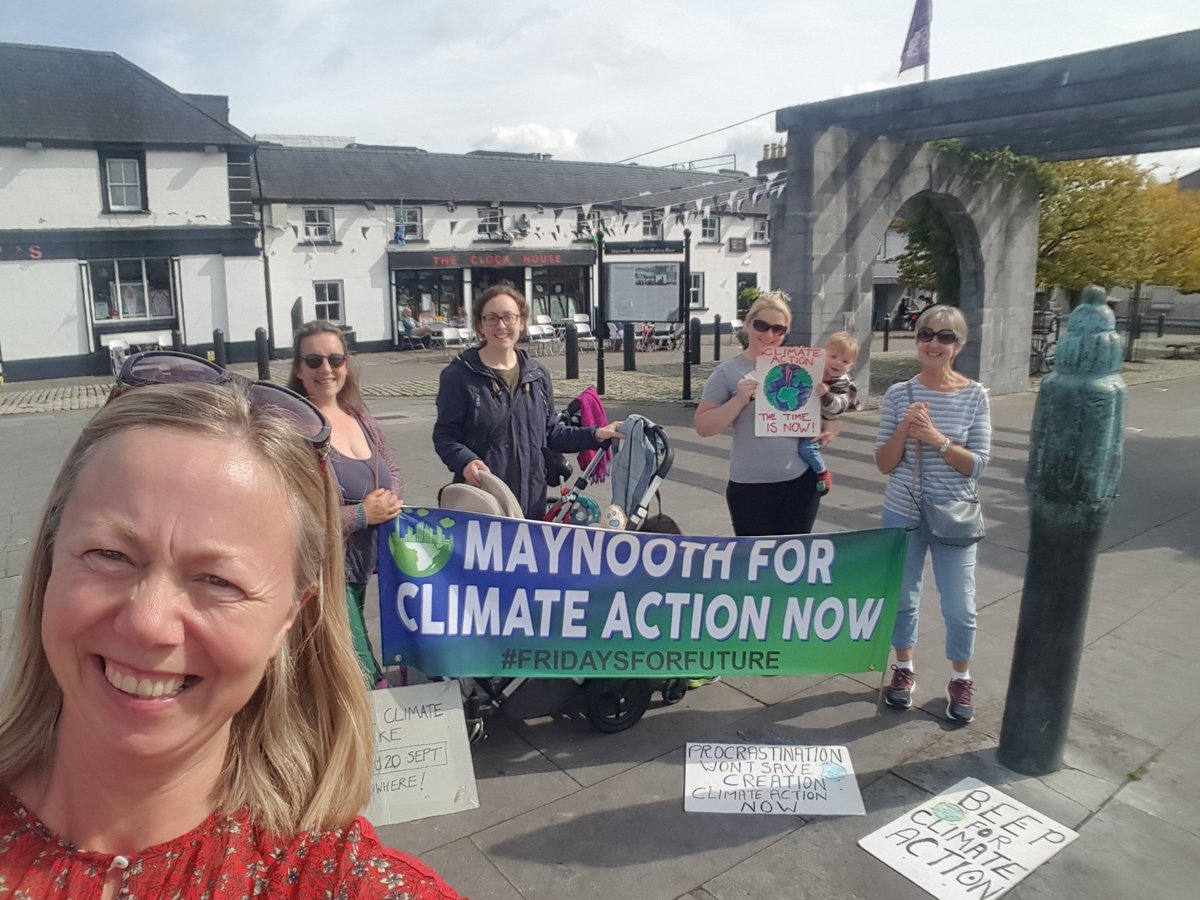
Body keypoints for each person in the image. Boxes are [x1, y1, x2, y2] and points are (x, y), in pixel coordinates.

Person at [0, 355, 462, 897]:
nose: (149, 624)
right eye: (110, 554)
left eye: (218, 581)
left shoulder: (338, 882)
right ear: (51, 561)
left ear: (289, 616)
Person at [874, 305, 992, 724]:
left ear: (959, 345)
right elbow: (884, 463)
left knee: (960, 605)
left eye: (945, 336)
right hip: (902, 510)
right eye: (926, 334)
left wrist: (937, 440)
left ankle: (961, 676)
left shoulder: (975, 396)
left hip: (954, 514)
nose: (934, 343)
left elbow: (976, 463)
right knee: (903, 599)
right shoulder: (898, 395)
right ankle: (903, 668)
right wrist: (906, 430)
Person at [433, 284, 623, 520]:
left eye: (509, 317)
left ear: (522, 322)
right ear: (480, 326)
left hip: (531, 503)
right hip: (484, 500)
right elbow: (445, 436)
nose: (501, 326)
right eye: (491, 318)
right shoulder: (459, 376)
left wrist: (596, 434)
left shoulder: (537, 374)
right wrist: (465, 461)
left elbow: (551, 433)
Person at [288, 321, 402, 688]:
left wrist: (391, 498)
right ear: (298, 369)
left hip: (360, 566)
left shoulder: (361, 418)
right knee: (362, 669)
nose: (326, 369)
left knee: (345, 668)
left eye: (335, 359)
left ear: (347, 365)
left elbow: (390, 467)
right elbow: (293, 516)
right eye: (314, 360)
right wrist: (362, 514)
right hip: (323, 573)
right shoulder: (295, 431)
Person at [694, 290, 823, 537]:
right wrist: (739, 400)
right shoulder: (728, 372)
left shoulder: (801, 366)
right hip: (749, 485)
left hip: (798, 480)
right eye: (761, 326)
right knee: (755, 565)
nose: (769, 335)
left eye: (779, 329)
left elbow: (832, 410)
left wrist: (826, 422)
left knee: (793, 562)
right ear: (747, 324)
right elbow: (703, 426)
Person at [795, 331, 862, 495]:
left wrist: (826, 395)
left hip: (819, 427)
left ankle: (822, 473)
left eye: (845, 361)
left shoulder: (843, 384)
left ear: (851, 366)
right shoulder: (817, 369)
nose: (837, 363)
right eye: (833, 357)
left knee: (807, 449)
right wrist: (798, 356)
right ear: (823, 354)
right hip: (803, 419)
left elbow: (839, 406)